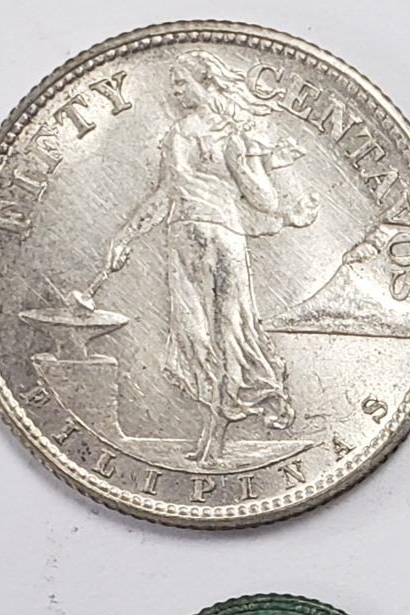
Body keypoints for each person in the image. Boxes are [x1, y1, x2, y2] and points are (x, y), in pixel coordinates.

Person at [106, 50, 319, 466]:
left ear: (205, 82)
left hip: (215, 238)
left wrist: (244, 163)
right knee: (200, 335)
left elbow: (263, 199)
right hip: (191, 239)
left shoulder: (228, 134)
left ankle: (216, 434)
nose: (174, 90)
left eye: (180, 82)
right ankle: (210, 430)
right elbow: (167, 195)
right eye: (173, 83)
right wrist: (125, 235)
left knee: (222, 334)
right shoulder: (184, 134)